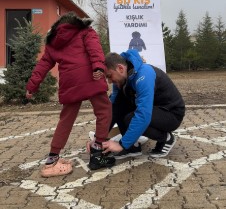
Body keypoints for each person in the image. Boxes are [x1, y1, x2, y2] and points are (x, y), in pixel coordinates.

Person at [26, 12, 115, 176]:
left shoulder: (53, 42)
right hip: (90, 77)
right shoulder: (86, 31)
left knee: (66, 119)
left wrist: (32, 86)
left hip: (69, 82)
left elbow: (43, 64)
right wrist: (98, 67)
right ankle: (97, 153)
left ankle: (53, 157)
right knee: (104, 111)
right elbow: (94, 49)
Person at [101, 49, 185, 159]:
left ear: (120, 68)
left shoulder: (144, 75)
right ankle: (132, 147)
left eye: (109, 76)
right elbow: (113, 109)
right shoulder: (120, 80)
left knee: (132, 118)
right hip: (154, 110)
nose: (109, 81)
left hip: (171, 113)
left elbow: (143, 115)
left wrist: (121, 144)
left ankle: (166, 138)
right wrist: (98, 139)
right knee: (119, 105)